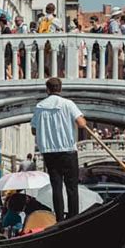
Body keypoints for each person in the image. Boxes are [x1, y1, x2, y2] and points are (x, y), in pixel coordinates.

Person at [31, 77, 87, 222]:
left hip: (49, 152)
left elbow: (33, 130)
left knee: (56, 187)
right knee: (72, 187)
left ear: (47, 89)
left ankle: (60, 219)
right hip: (68, 150)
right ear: (60, 89)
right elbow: (81, 123)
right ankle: (73, 218)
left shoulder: (40, 106)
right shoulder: (68, 104)